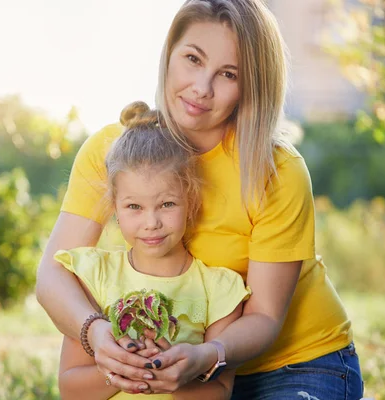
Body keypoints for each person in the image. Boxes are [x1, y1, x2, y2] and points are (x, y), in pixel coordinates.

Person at [37, 0, 364, 399]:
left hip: (295, 364)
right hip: (183, 376)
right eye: (192, 59)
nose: (201, 88)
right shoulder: (116, 149)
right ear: (169, 53)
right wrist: (95, 332)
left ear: (252, 86)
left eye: (228, 74)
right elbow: (53, 275)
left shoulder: (276, 171)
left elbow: (263, 316)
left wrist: (208, 356)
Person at [55, 102, 250, 399]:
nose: (151, 223)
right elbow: (70, 388)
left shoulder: (220, 291)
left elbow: (220, 392)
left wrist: (176, 375)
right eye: (134, 206)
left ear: (191, 202)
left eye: (167, 204)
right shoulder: (96, 277)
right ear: (115, 208)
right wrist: (124, 372)